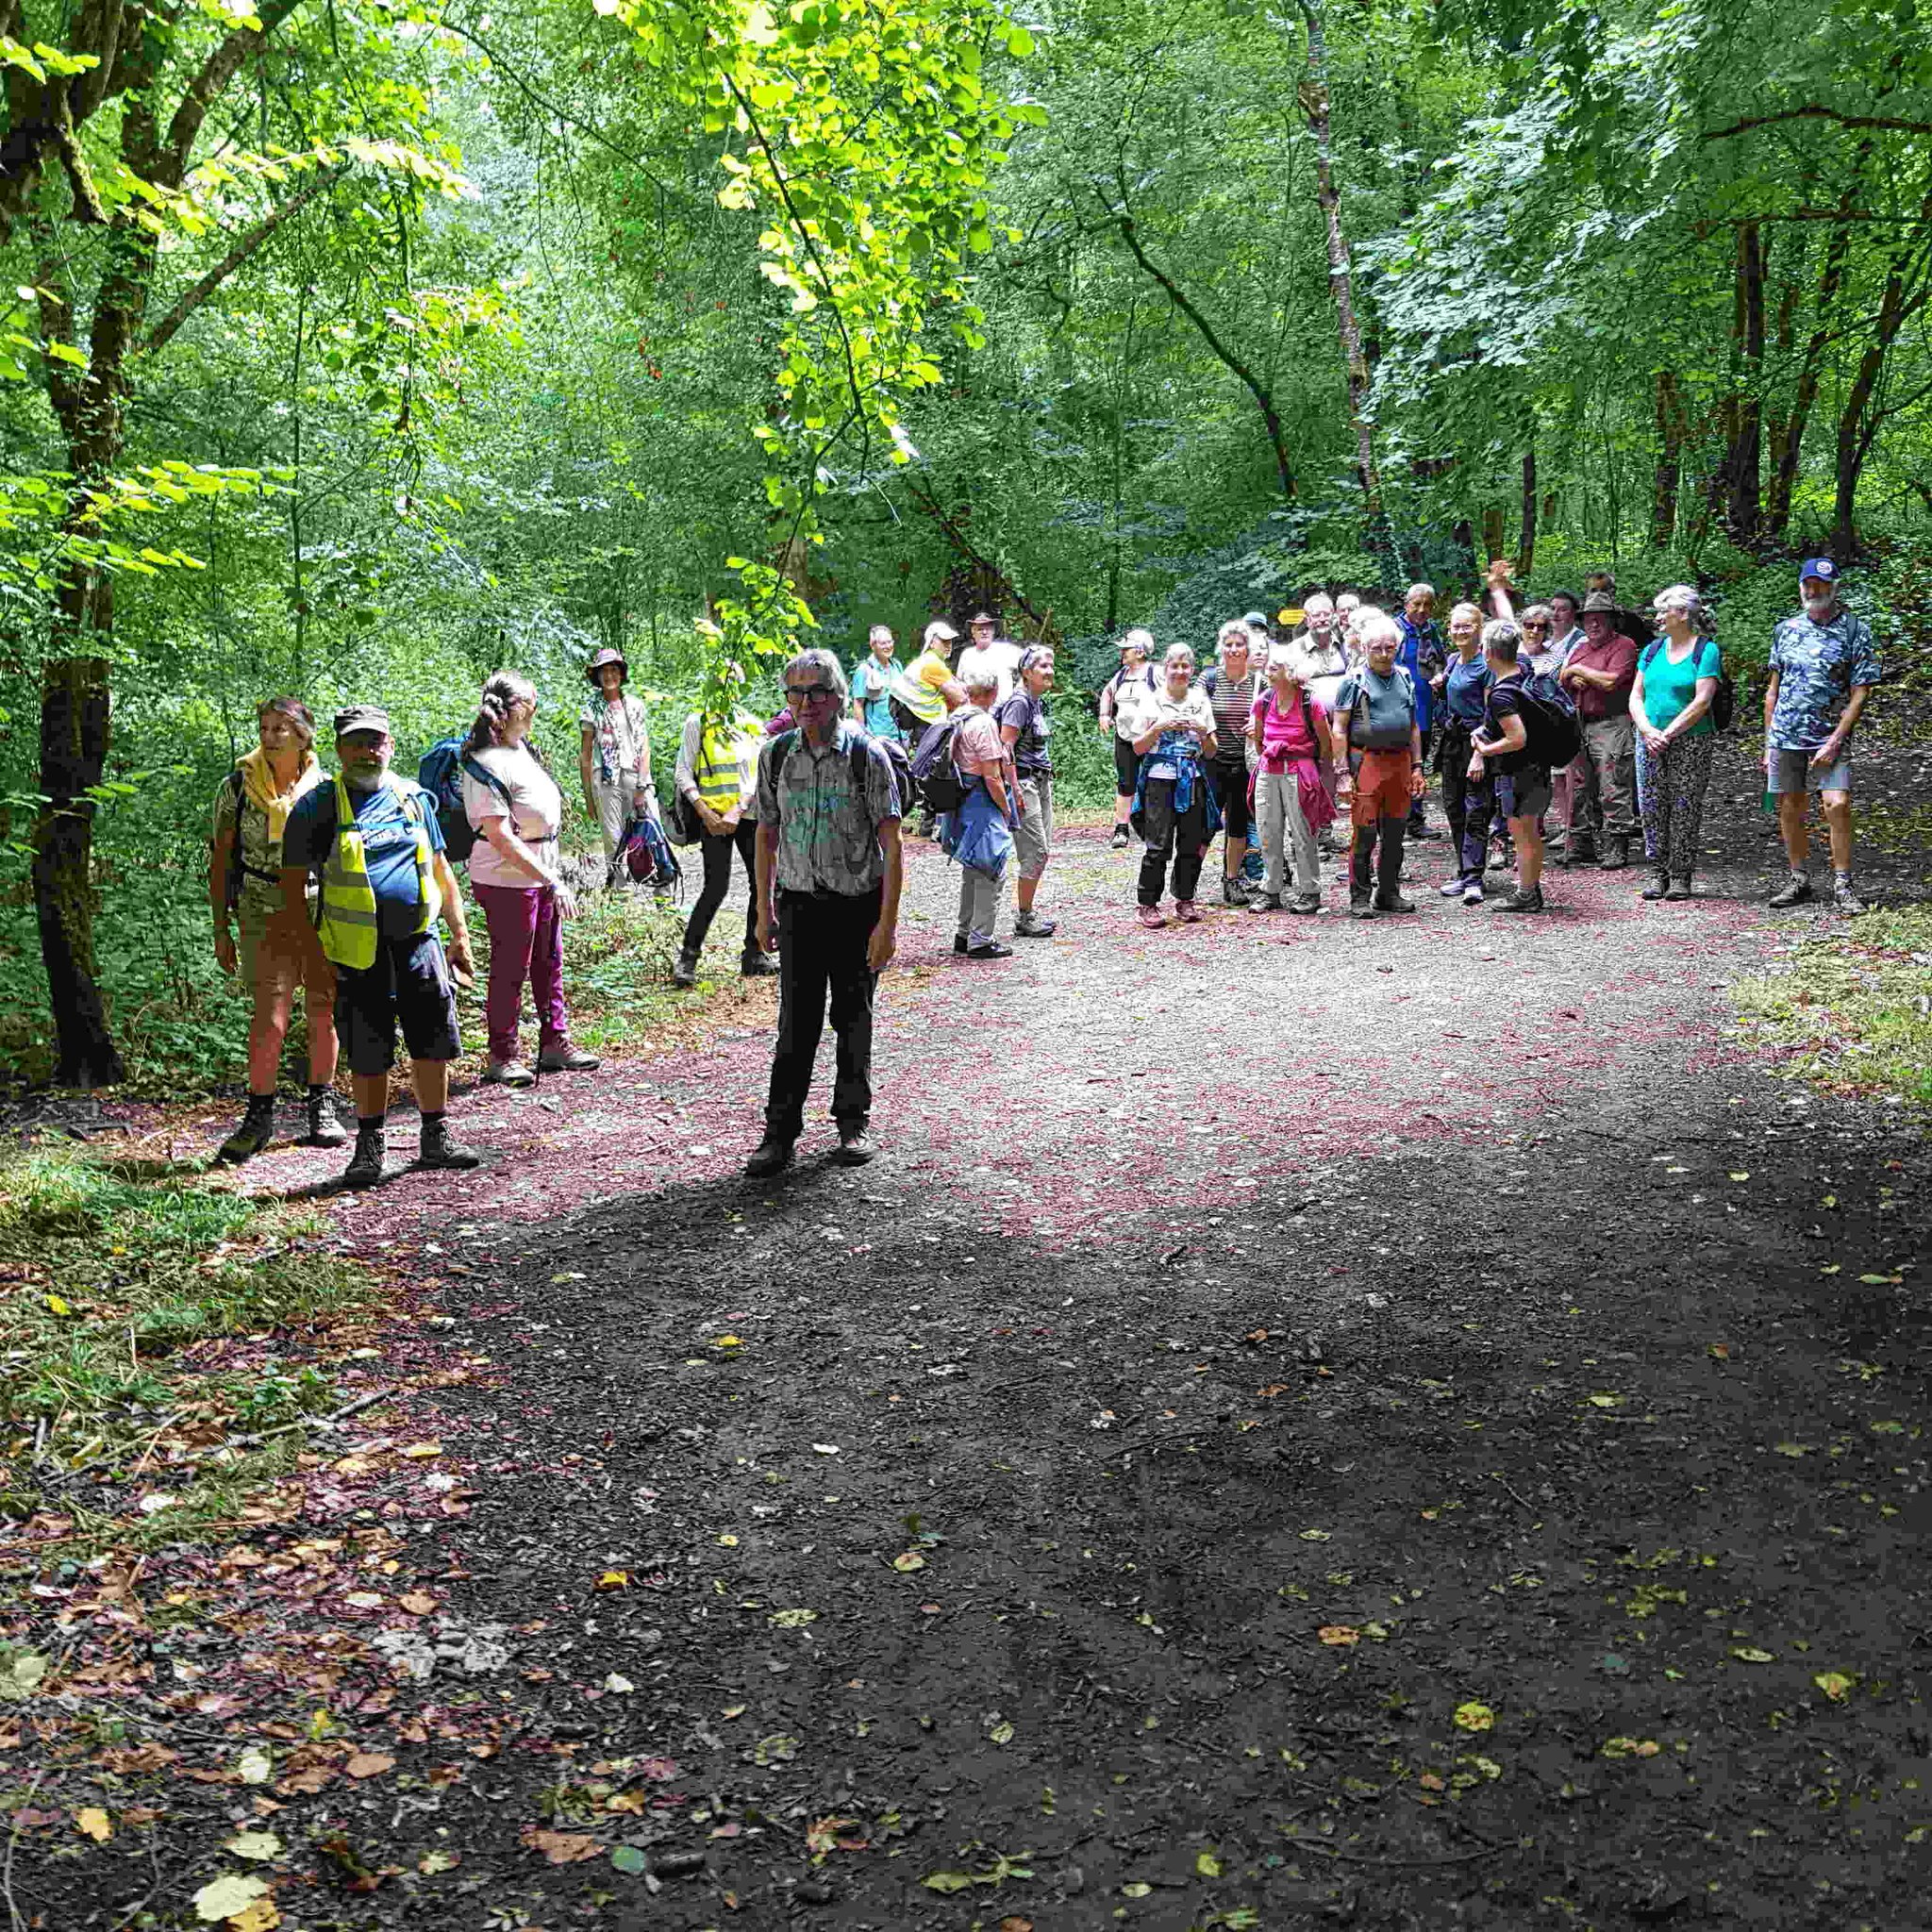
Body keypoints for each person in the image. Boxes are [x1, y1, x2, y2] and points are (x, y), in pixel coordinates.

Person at [281, 705, 479, 1186]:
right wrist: (312, 959)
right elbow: (290, 892)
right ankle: (369, 1148)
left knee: (432, 1041)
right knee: (368, 1050)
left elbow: (441, 870)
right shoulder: (316, 808)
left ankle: (436, 1137)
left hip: (419, 942)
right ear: (339, 749)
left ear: (390, 745)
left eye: (377, 742)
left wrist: (460, 934)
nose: (368, 751)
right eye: (357, 742)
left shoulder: (413, 798)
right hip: (354, 951)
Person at [745, 649, 905, 1177]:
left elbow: (892, 841)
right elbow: (766, 832)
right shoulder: (774, 755)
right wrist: (763, 911)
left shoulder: (867, 755)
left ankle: (852, 1121)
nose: (806, 702)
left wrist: (887, 924)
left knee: (853, 1018)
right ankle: (779, 1134)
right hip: (797, 906)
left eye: (817, 691)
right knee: (796, 1025)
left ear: (838, 695)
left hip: (856, 906)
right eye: (796, 692)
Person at [209, 698, 343, 1162]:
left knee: (323, 1006)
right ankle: (258, 1116)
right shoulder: (238, 787)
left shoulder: (326, 789)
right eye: (265, 728)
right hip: (260, 905)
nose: (270, 737)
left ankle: (322, 1106)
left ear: (303, 735)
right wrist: (220, 925)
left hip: (317, 905)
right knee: (270, 1013)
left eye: (281, 729)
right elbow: (222, 858)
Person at [462, 672, 598, 1088]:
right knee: (511, 966)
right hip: (506, 878)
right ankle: (502, 1054)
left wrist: (550, 876)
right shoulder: (483, 765)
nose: (534, 708)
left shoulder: (522, 751)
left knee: (549, 959)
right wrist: (552, 880)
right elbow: (500, 836)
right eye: (528, 702)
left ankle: (554, 1042)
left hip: (538, 873)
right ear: (506, 712)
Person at [1765, 558, 1881, 912]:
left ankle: (1843, 884)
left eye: (1821, 585)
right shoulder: (1785, 629)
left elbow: (1861, 690)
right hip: (1785, 734)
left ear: (1834, 588)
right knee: (1790, 807)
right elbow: (1773, 688)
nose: (1814, 591)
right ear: (1801, 586)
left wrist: (1836, 740)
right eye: (1809, 584)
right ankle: (1799, 878)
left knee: (1838, 804)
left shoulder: (1854, 630)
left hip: (1829, 735)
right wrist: (1768, 739)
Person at [1629, 584, 1724, 904]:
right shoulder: (1652, 650)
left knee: (1684, 805)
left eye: (1663, 611)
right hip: (1648, 739)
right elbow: (1636, 695)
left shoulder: (1706, 650)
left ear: (1683, 614)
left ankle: (1681, 875)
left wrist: (1667, 734)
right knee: (1651, 805)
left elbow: (1702, 701)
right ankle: (1658, 871)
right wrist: (1646, 730)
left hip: (1691, 741)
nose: (1657, 617)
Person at [673, 700, 770, 987]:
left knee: (760, 882)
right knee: (716, 887)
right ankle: (688, 957)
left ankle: (755, 953)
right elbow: (683, 772)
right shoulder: (697, 723)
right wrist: (704, 812)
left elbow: (756, 772)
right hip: (711, 817)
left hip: (747, 815)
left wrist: (739, 809)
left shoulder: (749, 723)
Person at [1332, 614, 1424, 919]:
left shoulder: (1405, 677)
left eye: (1389, 648)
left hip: (1399, 763)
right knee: (1365, 833)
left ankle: (1388, 892)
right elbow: (1339, 729)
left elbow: (1413, 726)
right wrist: (1343, 773)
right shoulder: (1353, 681)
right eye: (1377, 648)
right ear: (1364, 648)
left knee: (1396, 833)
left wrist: (1418, 766)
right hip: (1366, 763)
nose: (1384, 654)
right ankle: (1359, 897)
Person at [1129, 642, 1218, 927]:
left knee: (1191, 843)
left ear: (1192, 670)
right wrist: (1158, 728)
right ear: (1165, 668)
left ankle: (1185, 898)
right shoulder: (1150, 700)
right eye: (1174, 666)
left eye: (1185, 666)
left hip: (1191, 777)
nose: (1180, 671)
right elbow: (1138, 748)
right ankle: (1148, 903)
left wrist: (1202, 731)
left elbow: (1212, 751)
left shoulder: (1200, 699)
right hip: (1159, 779)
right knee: (1158, 844)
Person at [1466, 622, 1550, 915]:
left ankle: (1526, 895)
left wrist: (1485, 749)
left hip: (1518, 772)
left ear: (1488, 653)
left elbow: (1517, 737)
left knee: (1522, 833)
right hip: (1538, 767)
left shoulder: (1501, 694)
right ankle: (1531, 887)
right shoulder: (1525, 673)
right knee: (1529, 832)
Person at [1246, 645, 1333, 914]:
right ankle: (1271, 890)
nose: (1268, 672)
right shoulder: (1263, 701)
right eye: (1269, 667)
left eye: (1275, 668)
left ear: (1290, 671)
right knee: (1267, 832)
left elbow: (1326, 744)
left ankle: (1310, 891)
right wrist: (1274, 755)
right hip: (1269, 770)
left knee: (1304, 833)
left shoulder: (1311, 702)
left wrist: (1318, 769)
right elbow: (1259, 742)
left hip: (1300, 771)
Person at [1557, 590, 1641, 869]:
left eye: (1600, 619)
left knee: (1613, 783)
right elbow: (1562, 677)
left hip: (1613, 722)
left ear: (1612, 621)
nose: (1593, 625)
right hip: (1581, 722)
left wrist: (1579, 672)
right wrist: (1572, 674)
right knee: (1579, 785)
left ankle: (1616, 844)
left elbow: (1611, 681)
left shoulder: (1624, 645)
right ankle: (1581, 844)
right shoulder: (1580, 647)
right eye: (1589, 619)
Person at [946, 666, 1019, 958]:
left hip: (960, 800)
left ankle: (964, 934)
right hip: (981, 801)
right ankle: (981, 939)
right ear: (993, 693)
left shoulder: (956, 717)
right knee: (992, 870)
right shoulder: (984, 723)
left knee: (972, 869)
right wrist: (1007, 810)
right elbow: (992, 776)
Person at [1431, 603, 1494, 905]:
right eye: (1455, 626)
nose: (1459, 631)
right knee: (1454, 808)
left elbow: (1491, 713)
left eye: (1466, 626)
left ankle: (1474, 878)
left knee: (1476, 810)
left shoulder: (1486, 665)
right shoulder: (1454, 660)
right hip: (1453, 743)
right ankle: (1463, 871)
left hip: (1477, 744)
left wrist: (1480, 754)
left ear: (1479, 628)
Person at [998, 645, 1058, 938]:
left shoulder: (1035, 701)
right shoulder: (1020, 702)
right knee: (1036, 851)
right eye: (1043, 666)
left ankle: (1027, 911)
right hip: (1024, 783)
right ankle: (1024, 916)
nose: (1050, 670)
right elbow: (1004, 746)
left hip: (1040, 781)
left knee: (1042, 851)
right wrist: (1015, 790)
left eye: (1051, 665)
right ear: (1026, 672)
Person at [578, 647, 658, 864]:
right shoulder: (590, 708)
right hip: (605, 780)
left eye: (613, 670)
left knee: (651, 829)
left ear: (621, 674)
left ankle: (662, 888)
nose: (609, 676)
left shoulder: (635, 705)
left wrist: (642, 783)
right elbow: (585, 754)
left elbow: (644, 745)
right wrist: (588, 798)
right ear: (597, 676)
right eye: (603, 671)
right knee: (613, 838)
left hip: (636, 774)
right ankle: (619, 892)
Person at [1201, 620, 1259, 905]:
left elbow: (1271, 718)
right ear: (1221, 647)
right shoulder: (1209, 678)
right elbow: (1195, 709)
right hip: (1212, 760)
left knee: (1237, 824)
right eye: (1229, 644)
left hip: (1244, 763)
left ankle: (1232, 879)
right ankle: (1187, 879)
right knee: (1204, 823)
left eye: (1239, 644)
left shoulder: (1259, 682)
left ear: (1248, 649)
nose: (1234, 650)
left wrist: (1258, 728)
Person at [1293, 594, 1351, 830]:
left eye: (1326, 613)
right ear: (1307, 620)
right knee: (1310, 778)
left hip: (1344, 725)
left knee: (1333, 776)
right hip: (1310, 726)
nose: (1322, 619)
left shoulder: (1346, 644)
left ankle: (1326, 831)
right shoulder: (1296, 649)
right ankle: (1309, 834)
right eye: (1316, 615)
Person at [1098, 628, 1158, 848]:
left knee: (1154, 782)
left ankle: (1153, 826)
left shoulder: (1154, 673)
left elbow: (1171, 693)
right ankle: (1121, 829)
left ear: (1140, 652)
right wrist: (1104, 715)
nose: (1122, 652)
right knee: (1125, 782)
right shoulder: (1121, 675)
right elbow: (1107, 692)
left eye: (1127, 648)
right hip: (1124, 736)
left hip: (1151, 737)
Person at [1395, 585, 1445, 839]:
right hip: (1396, 707)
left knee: (1418, 762)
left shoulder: (1431, 630)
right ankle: (1396, 819)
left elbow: (1440, 662)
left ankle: (1415, 818)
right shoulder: (1393, 630)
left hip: (1423, 707)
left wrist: (1439, 677)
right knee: (1396, 762)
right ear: (1406, 604)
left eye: (1427, 604)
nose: (1422, 610)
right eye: (1417, 604)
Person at [954, 609, 1024, 708]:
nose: (984, 632)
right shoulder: (966, 655)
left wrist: (1019, 694)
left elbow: (1029, 668)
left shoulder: (1007, 650)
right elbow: (960, 683)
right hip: (973, 711)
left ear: (994, 631)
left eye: (988, 629)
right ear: (973, 632)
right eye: (980, 629)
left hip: (1002, 710)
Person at [850, 625, 901, 740]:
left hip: (900, 736)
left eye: (890, 642)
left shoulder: (897, 666)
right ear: (873, 645)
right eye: (883, 643)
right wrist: (863, 738)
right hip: (878, 737)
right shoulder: (864, 670)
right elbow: (858, 705)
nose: (888, 646)